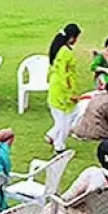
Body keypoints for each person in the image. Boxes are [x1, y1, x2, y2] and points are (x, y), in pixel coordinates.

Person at [46, 23, 82, 151]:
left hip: (58, 87)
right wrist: (69, 94)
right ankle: (59, 145)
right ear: (73, 37)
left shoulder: (60, 50)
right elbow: (63, 74)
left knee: (71, 114)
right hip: (61, 90)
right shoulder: (65, 52)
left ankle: (52, 135)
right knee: (64, 120)